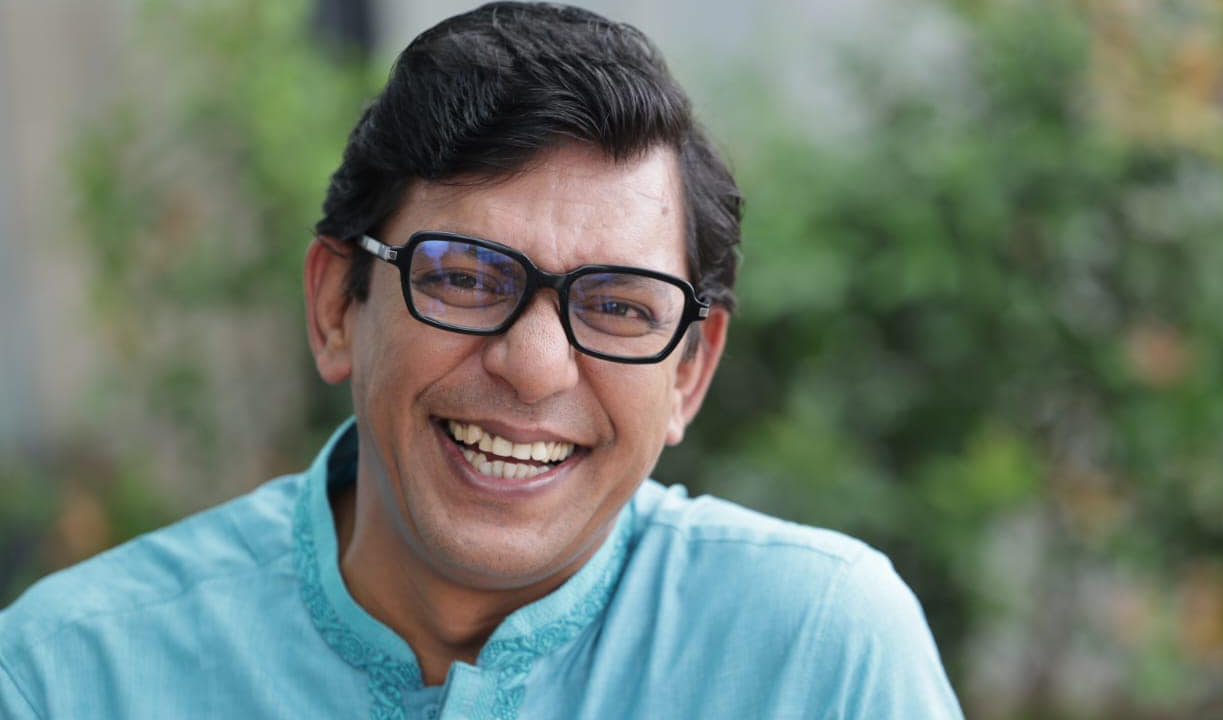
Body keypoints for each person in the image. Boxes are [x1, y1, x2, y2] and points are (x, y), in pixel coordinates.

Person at [0, 3, 964, 718]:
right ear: (337, 307)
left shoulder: (820, 657)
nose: (535, 367)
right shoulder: (67, 678)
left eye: (619, 305)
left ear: (687, 373)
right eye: (465, 278)